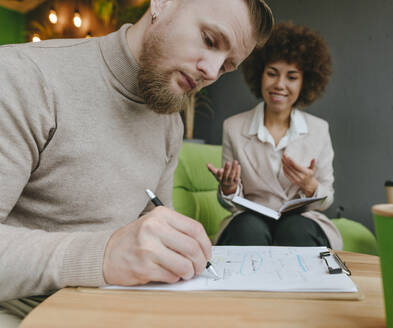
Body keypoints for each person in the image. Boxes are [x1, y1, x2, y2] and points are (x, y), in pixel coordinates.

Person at [0, 0, 273, 325]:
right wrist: (104, 255)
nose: (212, 72)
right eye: (209, 40)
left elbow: (153, 224)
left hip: (122, 311)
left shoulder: (169, 124)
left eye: (227, 66)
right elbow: (112, 253)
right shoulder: (23, 76)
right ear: (161, 3)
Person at [207, 22, 342, 249]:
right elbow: (230, 203)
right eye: (272, 74)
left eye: (291, 77)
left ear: (304, 82)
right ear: (259, 75)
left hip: (301, 222)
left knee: (295, 229)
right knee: (248, 228)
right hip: (251, 221)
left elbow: (327, 197)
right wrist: (229, 188)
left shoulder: (319, 130)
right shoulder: (233, 127)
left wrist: (310, 186)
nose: (279, 85)